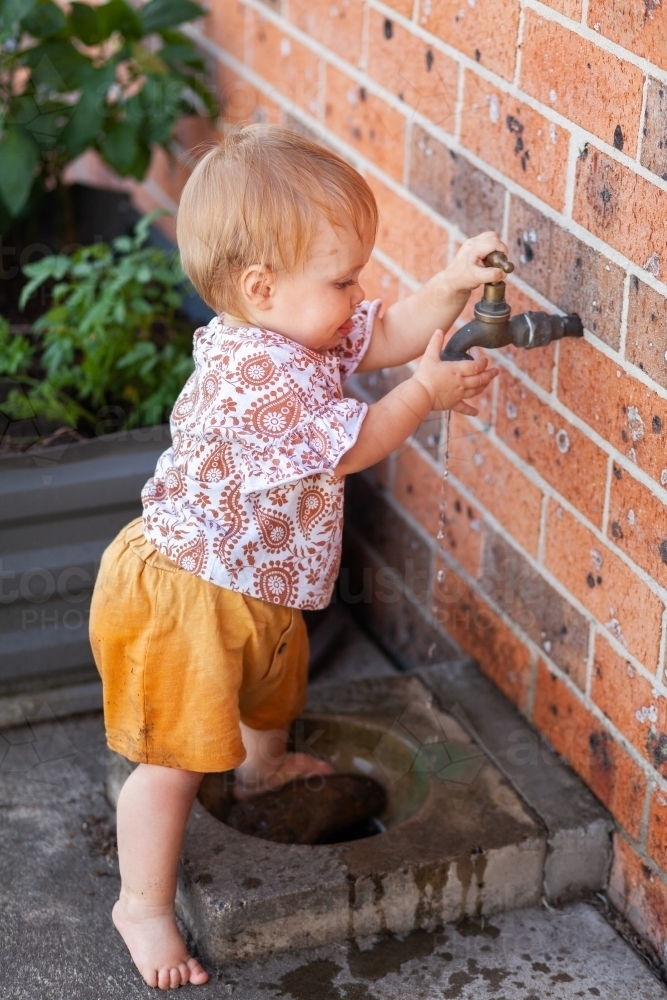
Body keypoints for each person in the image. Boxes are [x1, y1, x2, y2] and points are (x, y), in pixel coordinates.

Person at [89, 123, 505, 989]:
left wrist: (450, 287)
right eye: (343, 277)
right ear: (260, 285)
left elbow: (386, 330)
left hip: (254, 583)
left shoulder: (298, 329)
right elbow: (354, 444)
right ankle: (141, 903)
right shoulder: (255, 376)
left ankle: (263, 767)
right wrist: (424, 392)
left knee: (270, 687)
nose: (359, 295)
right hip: (185, 595)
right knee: (171, 761)